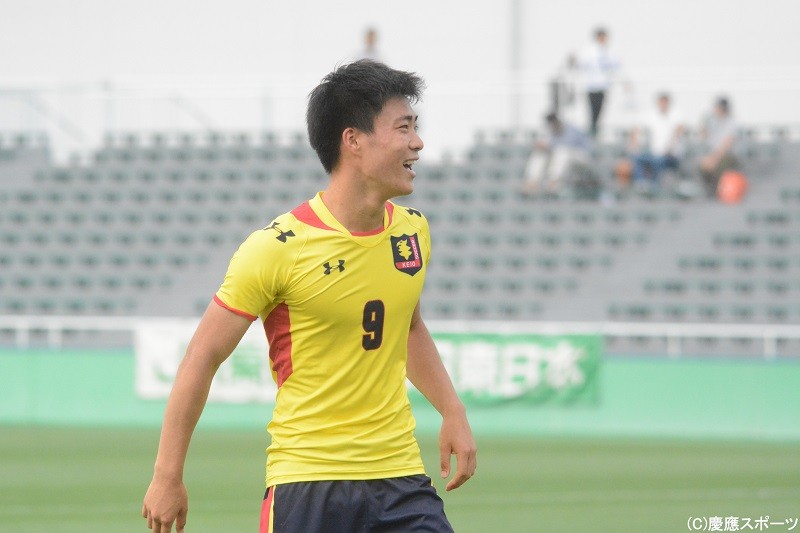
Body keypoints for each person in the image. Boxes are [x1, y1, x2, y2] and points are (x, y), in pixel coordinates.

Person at [141, 59, 477, 533]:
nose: (417, 143)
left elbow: (408, 327)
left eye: (415, 127)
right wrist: (166, 475)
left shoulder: (412, 232)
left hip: (400, 479)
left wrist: (452, 409)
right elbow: (202, 356)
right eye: (403, 128)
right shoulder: (277, 248)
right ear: (353, 140)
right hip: (307, 484)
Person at [521, 112, 591, 196]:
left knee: (562, 152)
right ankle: (532, 182)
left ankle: (554, 182)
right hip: (562, 156)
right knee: (540, 154)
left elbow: (567, 146)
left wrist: (549, 145)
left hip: (582, 156)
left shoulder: (571, 129)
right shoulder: (551, 132)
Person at [628, 92, 685, 187]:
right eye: (661, 102)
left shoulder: (676, 115)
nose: (663, 104)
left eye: (665, 102)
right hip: (654, 154)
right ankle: (641, 185)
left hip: (671, 156)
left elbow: (678, 132)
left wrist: (668, 148)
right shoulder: (652, 116)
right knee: (637, 159)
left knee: (658, 161)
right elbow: (636, 128)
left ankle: (655, 187)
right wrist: (634, 143)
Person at [579, 27, 622, 138]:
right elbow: (582, 65)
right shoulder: (589, 51)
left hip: (603, 86)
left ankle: (595, 130)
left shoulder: (609, 52)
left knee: (600, 110)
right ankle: (592, 130)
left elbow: (616, 65)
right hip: (591, 86)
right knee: (592, 110)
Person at [699, 96, 740, 197]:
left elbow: (726, 146)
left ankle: (720, 192)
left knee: (717, 167)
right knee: (702, 165)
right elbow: (705, 137)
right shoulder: (714, 122)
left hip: (728, 155)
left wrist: (714, 159)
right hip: (714, 153)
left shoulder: (731, 123)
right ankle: (710, 190)